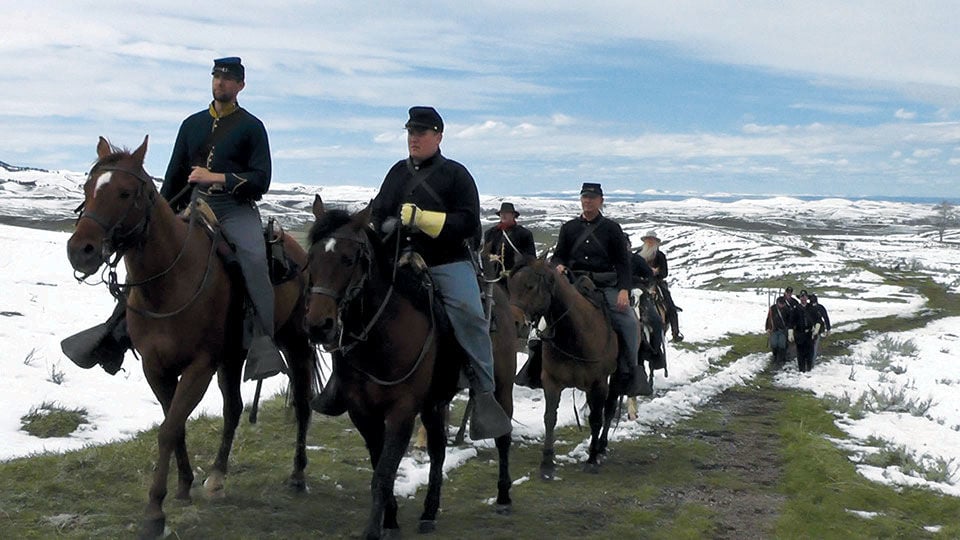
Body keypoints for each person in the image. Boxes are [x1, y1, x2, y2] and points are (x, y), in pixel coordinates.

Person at [61, 57, 286, 382]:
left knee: (252, 258)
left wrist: (217, 177)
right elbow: (174, 179)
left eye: (228, 78)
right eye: (216, 77)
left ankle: (262, 341)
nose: (220, 82)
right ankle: (115, 332)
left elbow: (261, 179)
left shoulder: (252, 127)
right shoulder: (191, 125)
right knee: (147, 254)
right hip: (193, 206)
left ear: (240, 86)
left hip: (235, 208)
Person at [310, 106, 512, 440]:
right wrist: (380, 223)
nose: (414, 139)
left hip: (446, 262)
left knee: (469, 313)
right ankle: (340, 379)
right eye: (410, 133)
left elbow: (468, 224)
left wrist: (424, 219)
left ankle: (483, 390)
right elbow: (380, 212)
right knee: (354, 301)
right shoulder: (397, 173)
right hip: (398, 260)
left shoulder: (456, 175)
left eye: (421, 133)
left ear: (438, 136)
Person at [547, 182, 649, 396]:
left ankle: (631, 371)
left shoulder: (612, 229)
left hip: (604, 286)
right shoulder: (569, 228)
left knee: (629, 322)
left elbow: (623, 263)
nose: (587, 201)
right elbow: (559, 254)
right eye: (584, 197)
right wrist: (558, 264)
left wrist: (623, 290)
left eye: (592, 198)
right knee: (543, 321)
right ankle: (537, 366)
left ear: (601, 201)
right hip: (574, 284)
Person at [638, 231, 683, 342]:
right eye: (648, 239)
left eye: (652, 240)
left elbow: (664, 273)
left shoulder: (660, 256)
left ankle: (675, 332)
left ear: (656, 242)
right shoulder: (638, 254)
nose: (649, 242)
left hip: (656, 282)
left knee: (670, 306)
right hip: (640, 282)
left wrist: (656, 273)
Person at [482, 201, 536, 277]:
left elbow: (531, 258)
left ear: (513, 215)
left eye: (507, 213)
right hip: (495, 277)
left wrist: (514, 270)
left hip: (517, 277)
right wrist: (491, 257)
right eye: (501, 213)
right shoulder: (490, 233)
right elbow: (485, 255)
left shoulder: (525, 234)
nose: (503, 215)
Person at [765, 297, 790, 364]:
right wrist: (768, 328)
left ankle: (782, 358)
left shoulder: (787, 309)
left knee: (782, 344)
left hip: (783, 330)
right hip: (774, 329)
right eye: (780, 303)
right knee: (774, 344)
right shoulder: (772, 309)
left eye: (783, 303)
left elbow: (790, 320)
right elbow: (769, 318)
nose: (781, 305)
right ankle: (775, 356)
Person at [809, 293, 831, 360]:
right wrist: (828, 329)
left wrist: (828, 329)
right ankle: (811, 361)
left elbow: (825, 318)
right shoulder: (820, 307)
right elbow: (826, 318)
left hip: (813, 328)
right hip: (816, 328)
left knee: (812, 345)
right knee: (814, 345)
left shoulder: (808, 307)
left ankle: (810, 361)